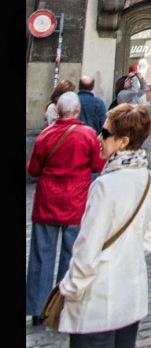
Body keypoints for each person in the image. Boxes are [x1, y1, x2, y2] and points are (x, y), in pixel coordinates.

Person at [57, 103, 151, 348]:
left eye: (105, 133)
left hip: (99, 299)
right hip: (131, 294)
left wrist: (70, 289)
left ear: (123, 142)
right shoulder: (148, 178)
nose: (99, 138)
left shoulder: (105, 185)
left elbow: (87, 248)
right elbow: (147, 239)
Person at [26, 91, 105, 324]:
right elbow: (97, 164)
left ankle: (38, 307)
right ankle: (62, 304)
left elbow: (33, 170)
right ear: (77, 111)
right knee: (72, 255)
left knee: (41, 255)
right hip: (75, 201)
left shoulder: (45, 135)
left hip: (47, 200)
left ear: (57, 111)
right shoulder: (87, 134)